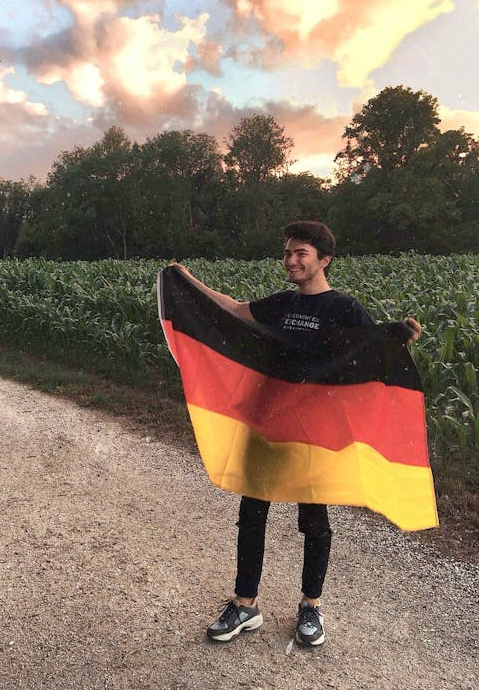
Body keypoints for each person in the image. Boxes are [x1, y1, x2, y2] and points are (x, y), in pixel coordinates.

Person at [171, 221, 421, 647]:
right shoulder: (282, 304)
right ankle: (245, 604)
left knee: (314, 521)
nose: (291, 260)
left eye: (301, 253)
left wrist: (398, 338)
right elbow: (234, 309)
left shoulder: (344, 308)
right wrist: (187, 281)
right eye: (287, 253)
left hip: (313, 431)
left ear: (324, 259)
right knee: (252, 515)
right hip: (267, 422)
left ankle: (311, 607)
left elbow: (370, 352)